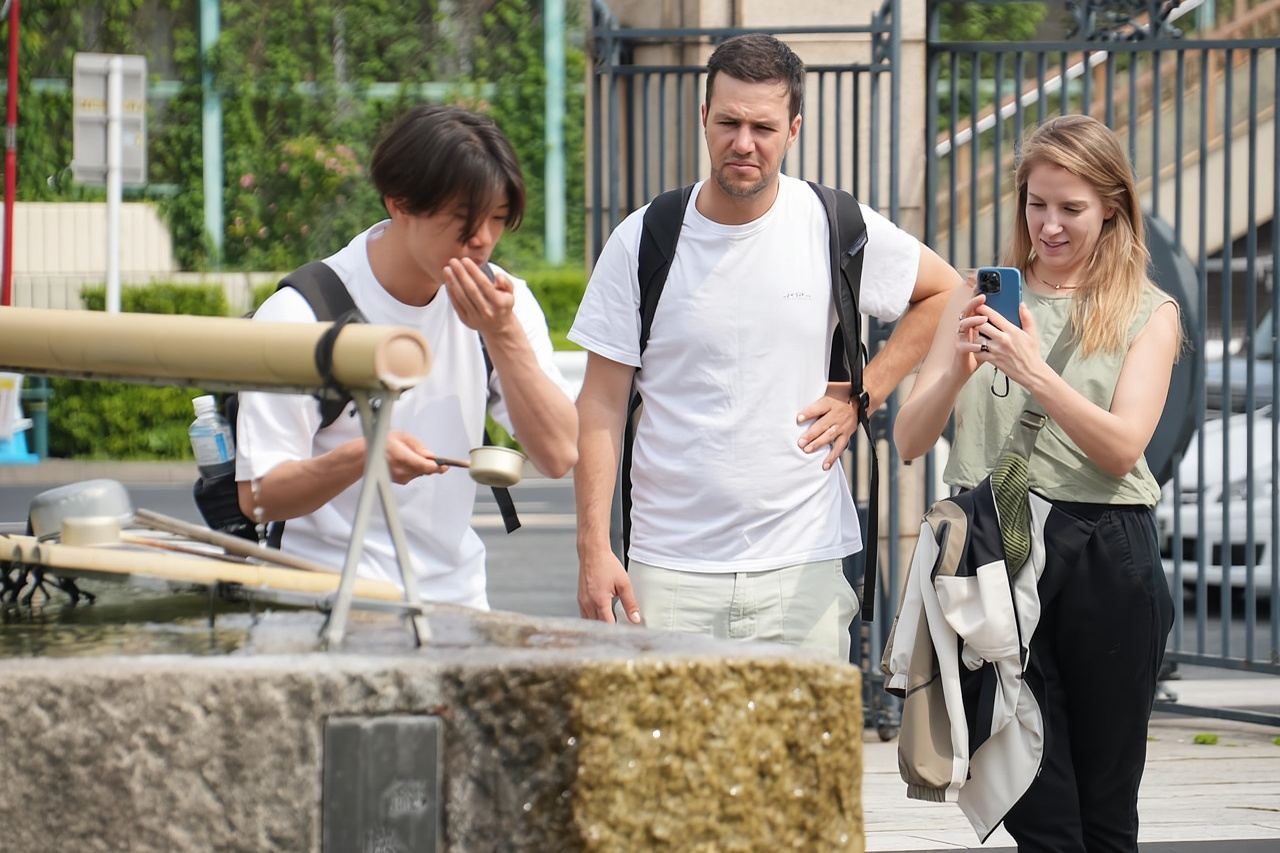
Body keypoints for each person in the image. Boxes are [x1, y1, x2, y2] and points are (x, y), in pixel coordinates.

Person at [569, 33, 959, 660]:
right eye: (727, 122)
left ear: (793, 129)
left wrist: (867, 391)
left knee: (803, 762)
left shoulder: (833, 223)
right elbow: (600, 406)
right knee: (672, 763)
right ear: (704, 118)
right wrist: (593, 546)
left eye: (762, 126)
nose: (743, 142)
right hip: (669, 570)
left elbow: (944, 294)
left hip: (804, 566)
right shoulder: (643, 239)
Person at [894, 114, 1178, 849]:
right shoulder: (971, 295)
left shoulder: (1148, 311)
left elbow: (1122, 449)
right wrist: (957, 366)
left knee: (1106, 801)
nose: (1049, 225)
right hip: (993, 550)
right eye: (1036, 203)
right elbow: (909, 438)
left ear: (1112, 206)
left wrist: (1033, 371)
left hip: (1102, 548)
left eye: (1071, 208)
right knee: (1028, 794)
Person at [234, 105, 578, 609]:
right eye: (462, 220)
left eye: (498, 219)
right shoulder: (302, 314)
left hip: (454, 602)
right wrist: (364, 455)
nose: (482, 240)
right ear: (399, 203)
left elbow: (559, 454)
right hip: (319, 602)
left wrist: (502, 334)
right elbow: (259, 498)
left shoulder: (504, 302)